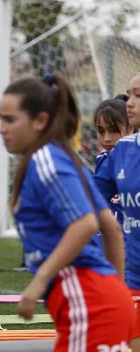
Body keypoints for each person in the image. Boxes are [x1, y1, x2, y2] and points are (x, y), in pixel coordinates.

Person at [0, 74, 135, 351]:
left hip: (89, 300)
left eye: (10, 120)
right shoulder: (58, 158)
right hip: (97, 298)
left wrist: (39, 281)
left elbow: (85, 224)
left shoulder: (47, 160)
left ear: (40, 121)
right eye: (1, 119)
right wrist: (118, 289)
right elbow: (109, 226)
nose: (1, 128)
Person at [94, 73, 140, 351]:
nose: (130, 103)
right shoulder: (121, 152)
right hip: (133, 273)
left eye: (139, 96)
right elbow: (89, 203)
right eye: (130, 94)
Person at [92, 95, 134, 247]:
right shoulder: (103, 157)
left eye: (113, 130)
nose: (106, 138)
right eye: (101, 131)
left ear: (131, 129)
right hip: (109, 239)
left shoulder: (134, 158)